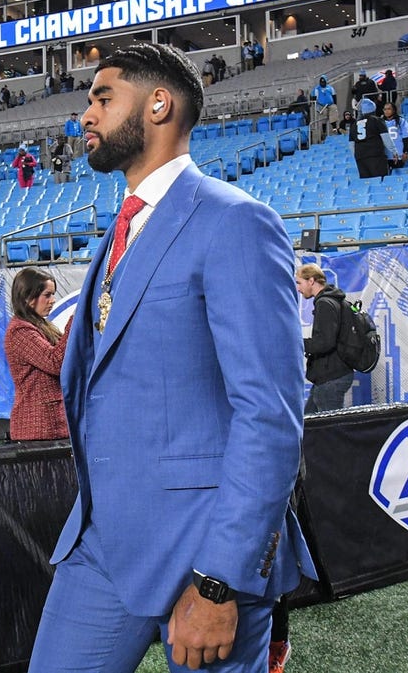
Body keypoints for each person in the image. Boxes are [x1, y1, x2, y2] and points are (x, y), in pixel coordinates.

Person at [28, 42, 314, 672]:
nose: (86, 115)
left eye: (103, 97)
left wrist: (219, 580)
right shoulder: (119, 230)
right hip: (102, 540)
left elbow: (269, 413)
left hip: (203, 550)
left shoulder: (236, 222)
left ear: (159, 104)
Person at [3, 268, 69, 441]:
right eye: (47, 295)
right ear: (28, 297)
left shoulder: (41, 326)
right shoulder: (20, 331)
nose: (52, 301)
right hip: (37, 428)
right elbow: (55, 362)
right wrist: (74, 324)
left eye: (53, 295)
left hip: (50, 424)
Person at [295, 264, 354, 412]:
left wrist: (296, 343)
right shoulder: (335, 300)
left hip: (331, 377)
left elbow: (324, 343)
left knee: (329, 431)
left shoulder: (325, 304)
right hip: (328, 377)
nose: (298, 288)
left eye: (299, 283)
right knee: (309, 425)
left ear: (311, 281)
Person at [349, 98, 389, 179]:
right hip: (376, 155)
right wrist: (394, 151)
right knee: (380, 182)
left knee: (367, 183)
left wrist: (357, 156)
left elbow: (351, 145)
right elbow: (386, 138)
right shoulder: (377, 120)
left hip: (360, 157)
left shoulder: (354, 125)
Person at [382, 101, 408, 169]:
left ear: (394, 110)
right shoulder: (381, 122)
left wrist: (406, 152)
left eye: (389, 109)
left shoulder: (401, 121)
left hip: (399, 155)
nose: (386, 111)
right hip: (385, 155)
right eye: (385, 109)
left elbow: (406, 138)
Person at [311, 75, 336, 141]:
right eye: (321, 82)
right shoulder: (316, 89)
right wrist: (317, 107)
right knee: (324, 115)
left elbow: (334, 97)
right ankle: (324, 132)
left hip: (330, 104)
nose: (322, 83)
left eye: (323, 82)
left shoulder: (330, 88)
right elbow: (313, 99)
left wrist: (334, 104)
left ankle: (334, 128)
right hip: (321, 105)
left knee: (334, 109)